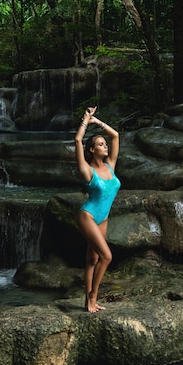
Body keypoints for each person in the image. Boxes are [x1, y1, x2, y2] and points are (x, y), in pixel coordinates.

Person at [75, 106, 121, 313]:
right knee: (107, 257)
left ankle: (88, 303)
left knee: (92, 260)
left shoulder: (110, 165)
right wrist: (85, 121)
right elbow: (77, 141)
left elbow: (116, 135)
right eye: (100, 144)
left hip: (103, 218)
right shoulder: (88, 170)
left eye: (105, 144)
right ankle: (93, 296)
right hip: (89, 216)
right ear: (92, 150)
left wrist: (97, 122)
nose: (106, 146)